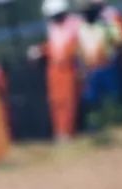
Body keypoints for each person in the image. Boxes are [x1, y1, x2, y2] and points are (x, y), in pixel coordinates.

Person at [29, 0, 83, 141]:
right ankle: (60, 131)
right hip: (55, 69)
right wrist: (40, 50)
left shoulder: (75, 24)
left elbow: (74, 47)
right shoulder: (53, 28)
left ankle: (68, 131)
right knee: (56, 102)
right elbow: (53, 46)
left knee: (69, 101)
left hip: (69, 68)